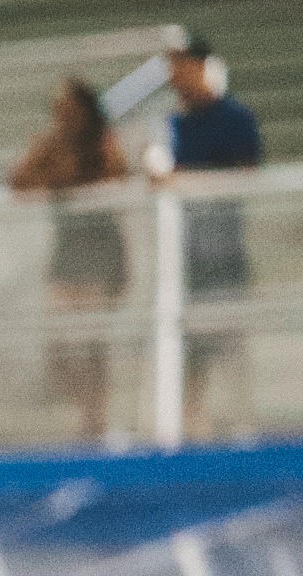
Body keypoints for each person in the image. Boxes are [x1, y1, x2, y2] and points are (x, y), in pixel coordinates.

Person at [10, 80, 131, 441]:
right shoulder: (50, 146)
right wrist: (44, 160)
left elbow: (114, 183)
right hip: (67, 254)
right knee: (56, 343)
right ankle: (87, 409)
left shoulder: (104, 144)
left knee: (95, 343)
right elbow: (20, 183)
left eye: (69, 109)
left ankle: (97, 418)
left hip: (100, 252)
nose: (62, 116)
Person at [166, 36, 263, 439]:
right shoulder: (175, 124)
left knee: (231, 335)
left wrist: (187, 181)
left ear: (199, 67)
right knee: (191, 340)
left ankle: (243, 420)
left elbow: (247, 175)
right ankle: (193, 422)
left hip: (226, 249)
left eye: (179, 68)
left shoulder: (235, 117)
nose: (173, 79)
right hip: (188, 251)